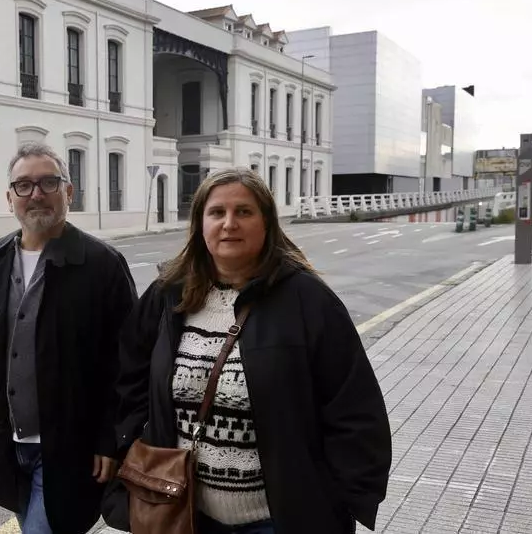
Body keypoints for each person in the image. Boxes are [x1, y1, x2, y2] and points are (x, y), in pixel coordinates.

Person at [103, 167, 391, 534]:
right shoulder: (168, 295)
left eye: (244, 212)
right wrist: (128, 441)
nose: (229, 224)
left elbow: (354, 408)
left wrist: (342, 497)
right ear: (200, 224)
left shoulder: (309, 302)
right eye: (217, 212)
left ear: (267, 224)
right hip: (186, 513)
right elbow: (128, 372)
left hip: (278, 520)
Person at [0, 141, 138, 534]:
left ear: (69, 192)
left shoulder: (101, 265)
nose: (36, 194)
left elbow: (128, 364)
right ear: (9, 197)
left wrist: (111, 440)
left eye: (48, 182)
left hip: (70, 445)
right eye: (24, 185)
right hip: (6, 442)